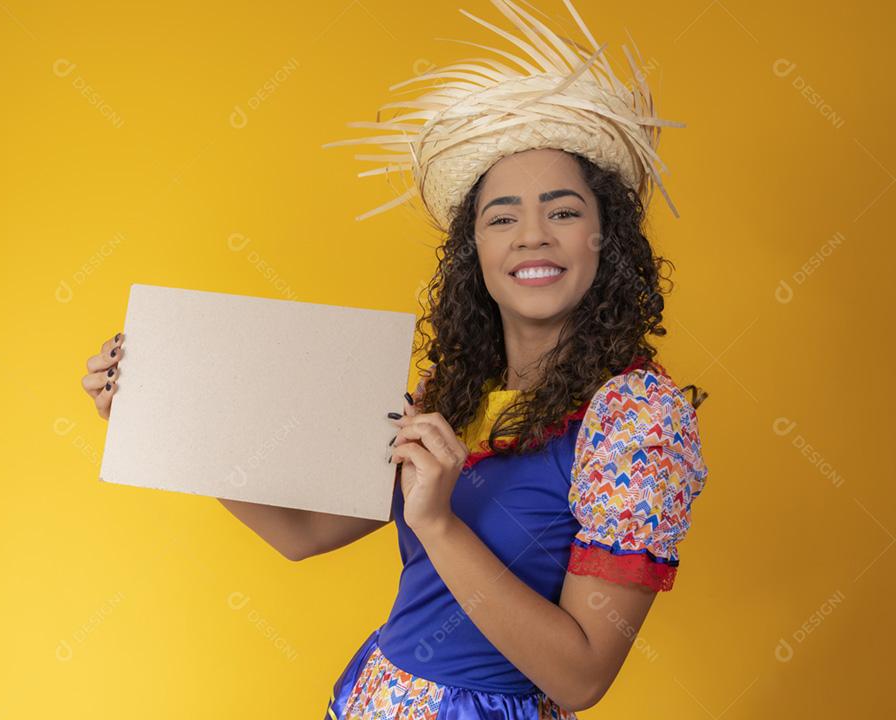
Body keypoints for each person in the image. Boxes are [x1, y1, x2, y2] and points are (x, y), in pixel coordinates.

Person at [81, 0, 712, 716]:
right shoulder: (456, 393)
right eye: (501, 216)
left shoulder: (635, 421)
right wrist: (160, 417)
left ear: (608, 239)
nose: (531, 236)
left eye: (563, 212)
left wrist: (438, 520)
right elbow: (305, 534)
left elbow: (580, 677)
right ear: (475, 252)